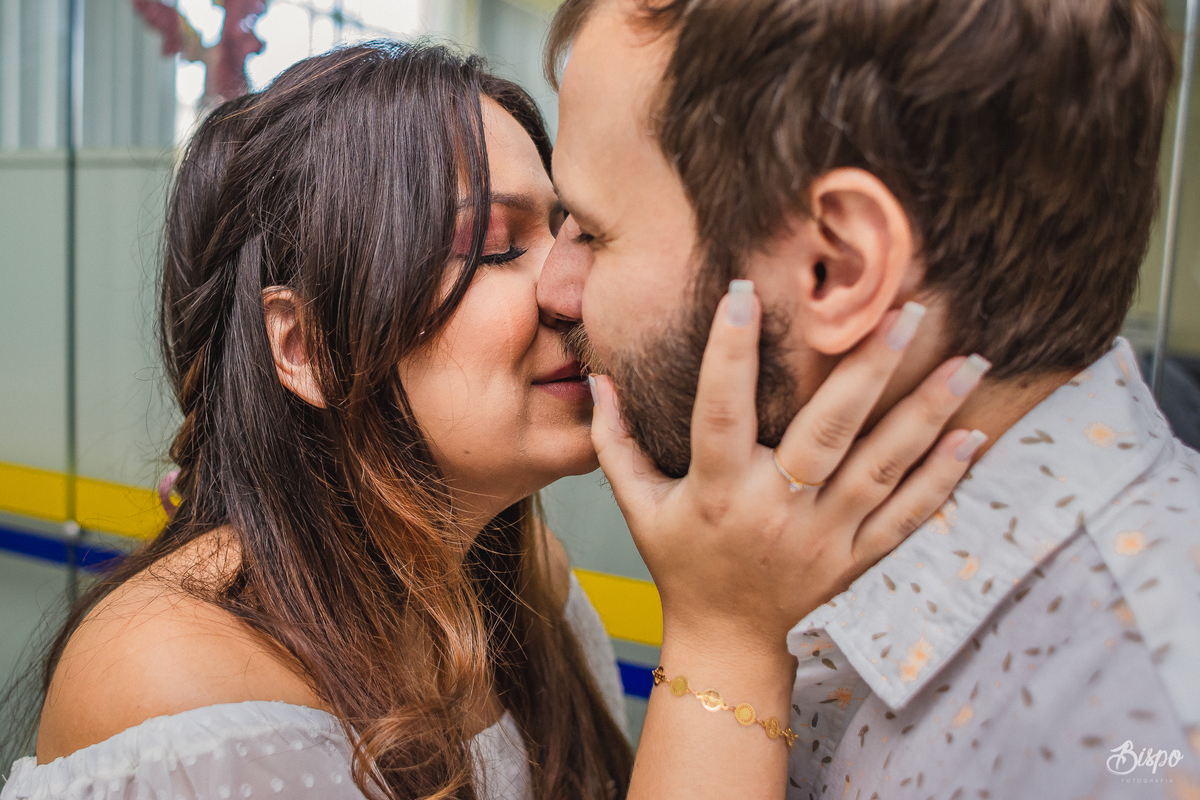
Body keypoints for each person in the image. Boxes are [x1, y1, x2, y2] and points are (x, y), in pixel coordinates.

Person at [1, 40, 972, 800]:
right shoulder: (169, 678)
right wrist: (725, 636)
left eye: (573, 230)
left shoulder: (521, 571)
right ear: (304, 347)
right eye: (497, 246)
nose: (570, 286)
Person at [537, 0, 1200, 798]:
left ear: (838, 270)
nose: (555, 288)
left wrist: (723, 643)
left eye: (595, 232)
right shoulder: (799, 554)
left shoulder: (1157, 723)